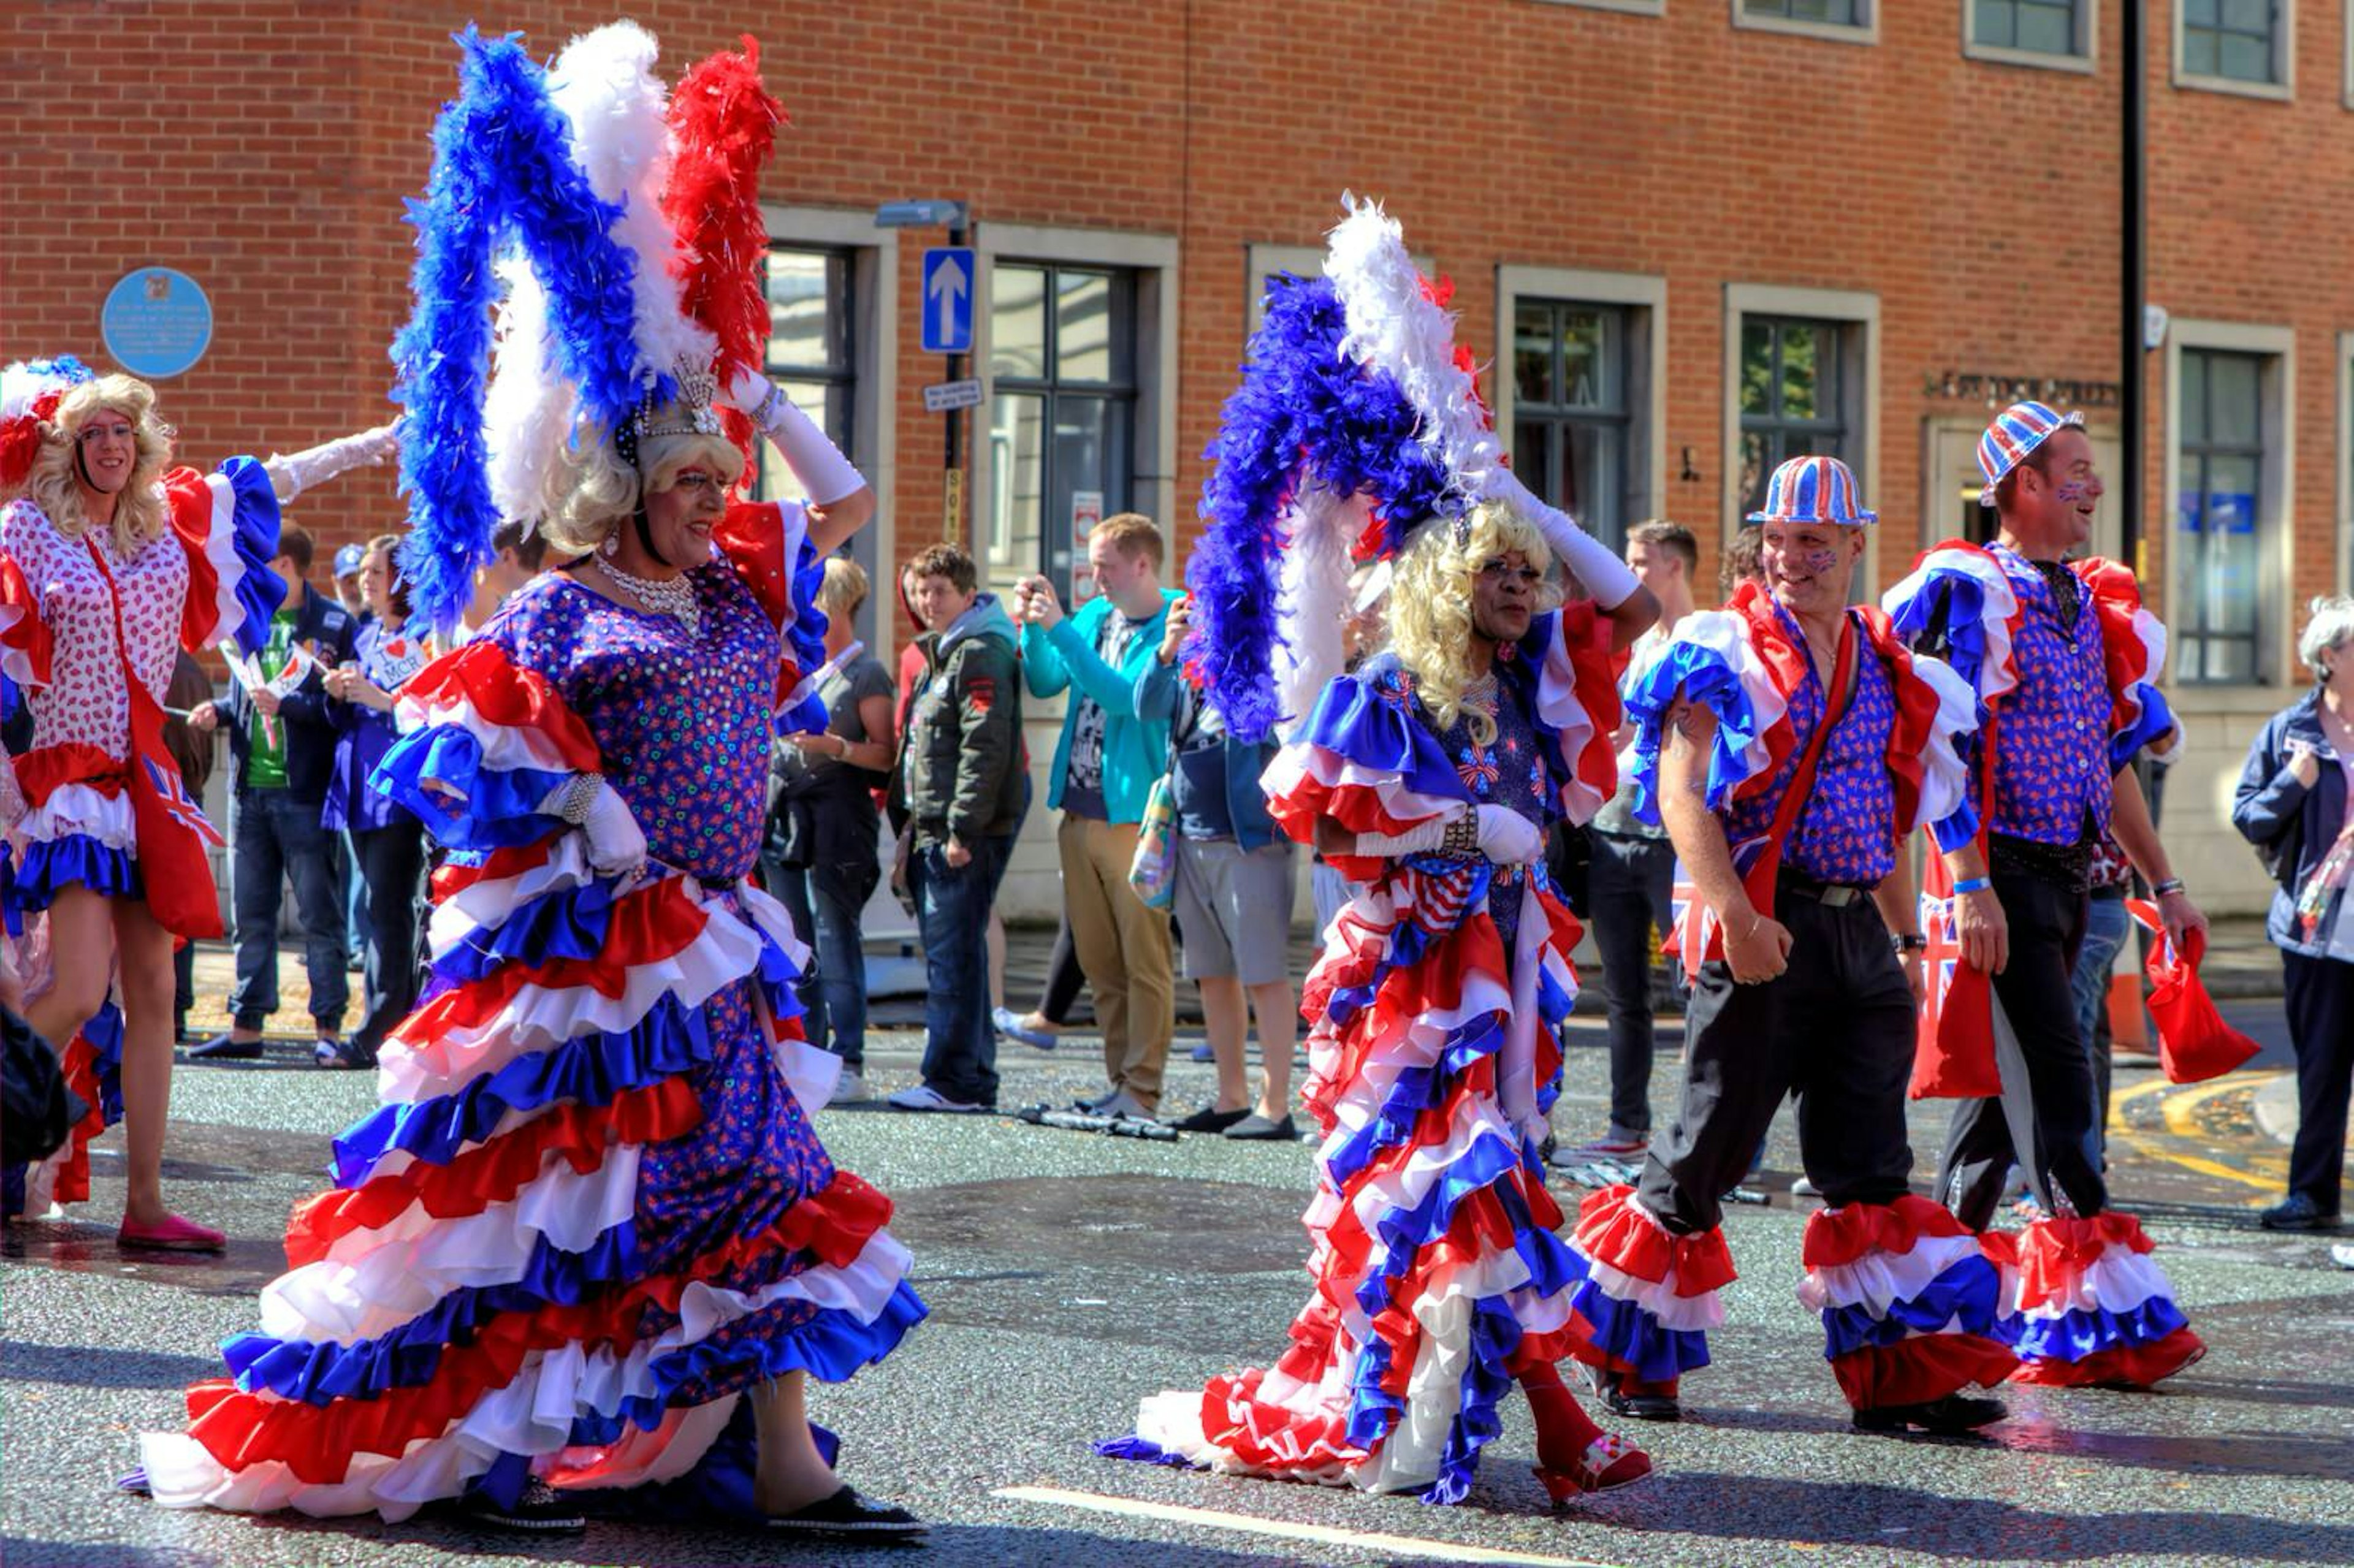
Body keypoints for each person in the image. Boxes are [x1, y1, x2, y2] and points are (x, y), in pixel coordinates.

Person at [129, 25, 923, 1540]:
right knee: (538, 1211)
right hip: (585, 949)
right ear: (621, 487)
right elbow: (455, 740)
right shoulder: (565, 605)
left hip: (714, 932)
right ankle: (471, 1456)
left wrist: (757, 392)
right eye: (689, 480)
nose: (716, 500)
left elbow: (846, 506)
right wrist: (582, 804)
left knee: (757, 1180)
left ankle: (759, 1462)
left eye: (718, 481)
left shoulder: (737, 596)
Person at [1108, 200, 1658, 1503]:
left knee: (1494, 1182)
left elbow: (1633, 604)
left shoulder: (1527, 689)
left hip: (1508, 967)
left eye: (1528, 575)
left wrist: (1501, 481)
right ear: (1440, 581)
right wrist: (1472, 827)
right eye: (1500, 574)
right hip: (1410, 981)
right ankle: (1556, 1419)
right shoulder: (1383, 695)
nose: (1526, 593)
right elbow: (1336, 823)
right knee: (1461, 1185)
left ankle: (1539, 1414)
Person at [1570, 455, 2014, 1435]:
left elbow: (1886, 808)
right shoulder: (1725, 648)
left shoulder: (1887, 660)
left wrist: (1906, 934)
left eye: (1814, 543)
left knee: (1872, 1167)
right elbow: (1684, 794)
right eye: (1776, 541)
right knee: (1705, 1149)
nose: (1791, 560)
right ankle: (1632, 1356)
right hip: (1769, 927)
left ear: (1857, 544)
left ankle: (1902, 1379)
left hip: (1860, 932)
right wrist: (1734, 916)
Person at [0, 353, 391, 1250]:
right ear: (66, 448)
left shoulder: (168, 526)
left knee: (154, 990)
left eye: (119, 431)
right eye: (89, 432)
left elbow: (282, 475)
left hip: (151, 785)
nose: (107, 444)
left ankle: (143, 1203)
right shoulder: (29, 529)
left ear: (140, 445)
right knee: (81, 981)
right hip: (73, 784)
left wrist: (385, 441)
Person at [1883, 400, 2206, 1387]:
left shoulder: (2083, 601)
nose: (2094, 486)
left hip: (2068, 879)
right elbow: (1945, 755)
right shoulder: (1972, 592)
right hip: (2006, 878)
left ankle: (1926, 1316)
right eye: (2075, 469)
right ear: (2023, 483)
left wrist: (2169, 881)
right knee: (2062, 1081)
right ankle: (2097, 1322)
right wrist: (1971, 882)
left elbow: (2110, 768)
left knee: (1993, 1107)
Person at [1017, 514, 1181, 1118]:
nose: (1095, 576)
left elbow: (1124, 697)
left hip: (1133, 816)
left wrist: (1061, 629)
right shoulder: (1094, 615)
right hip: (1079, 812)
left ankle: (1143, 1088)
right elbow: (1043, 680)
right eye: (1093, 565)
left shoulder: (1175, 619)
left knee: (1145, 960)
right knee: (1101, 961)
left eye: (1106, 565)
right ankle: (1120, 1084)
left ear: (1143, 563)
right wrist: (1036, 628)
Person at [188, 521, 360, 1066]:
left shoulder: (331, 624)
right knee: (252, 913)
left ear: (285, 565)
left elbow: (344, 712)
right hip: (249, 790)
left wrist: (287, 706)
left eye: (263, 564)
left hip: (304, 792)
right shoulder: (249, 621)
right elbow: (244, 694)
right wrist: (221, 711)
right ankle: (246, 1025)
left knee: (319, 914)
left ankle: (327, 1027)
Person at [1137, 592, 1297, 1140]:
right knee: (1211, 974)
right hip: (1193, 839)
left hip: (1248, 843)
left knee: (1263, 974)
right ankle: (1232, 1096)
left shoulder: (1257, 668)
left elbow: (1270, 731)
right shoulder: (1183, 671)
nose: (1196, 624)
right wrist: (1167, 649)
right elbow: (1144, 706)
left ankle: (1275, 1105)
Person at [1571, 520, 1697, 1161]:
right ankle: (1629, 1127)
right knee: (1623, 991)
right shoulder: (1629, 639)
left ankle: (1704, 1133)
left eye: (1641, 561)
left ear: (1674, 566)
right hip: (1612, 830)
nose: (1631, 571)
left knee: (1695, 987)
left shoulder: (1706, 637)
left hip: (1675, 840)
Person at [888, 545, 1026, 1113]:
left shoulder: (980, 651)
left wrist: (961, 831)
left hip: (963, 830)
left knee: (953, 958)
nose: (927, 601)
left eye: (940, 591)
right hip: (936, 824)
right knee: (955, 955)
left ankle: (954, 1081)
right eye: (922, 591)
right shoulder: (945, 650)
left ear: (969, 594)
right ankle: (966, 1077)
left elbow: (984, 746)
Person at [2234, 595, 2354, 1231]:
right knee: (2322, 1069)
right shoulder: (2290, 732)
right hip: (2317, 935)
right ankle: (2312, 1194)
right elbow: (2249, 814)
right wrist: (2295, 781)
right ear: (2329, 657)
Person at [766, 555, 894, 1104]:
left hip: (840, 817)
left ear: (838, 605)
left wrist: (834, 747)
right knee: (795, 941)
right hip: (787, 816)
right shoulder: (796, 664)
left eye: (815, 600)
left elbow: (886, 755)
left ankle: (851, 1059)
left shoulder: (867, 672)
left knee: (837, 939)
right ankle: (807, 1052)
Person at [319, 533, 428, 1070]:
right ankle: (382, 1020)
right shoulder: (363, 638)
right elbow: (342, 718)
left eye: (376, 572)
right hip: (358, 787)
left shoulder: (423, 638)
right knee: (371, 908)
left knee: (388, 910)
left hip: (398, 793)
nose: (366, 580)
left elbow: (428, 713)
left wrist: (382, 701)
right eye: (363, 571)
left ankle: (382, 1026)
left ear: (401, 580)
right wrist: (337, 695)